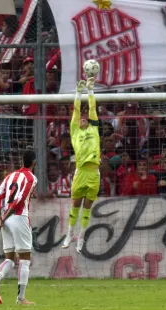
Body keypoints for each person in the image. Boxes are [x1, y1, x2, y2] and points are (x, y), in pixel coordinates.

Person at [0, 150, 38, 306]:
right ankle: (21, 299)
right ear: (34, 163)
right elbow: (20, 199)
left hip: (6, 220)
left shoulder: (10, 176)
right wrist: (4, 216)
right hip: (18, 217)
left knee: (9, 258)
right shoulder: (31, 177)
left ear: (21, 162)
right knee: (25, 259)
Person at [61, 77, 100, 253]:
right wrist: (78, 93)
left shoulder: (94, 129)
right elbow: (76, 111)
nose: (83, 118)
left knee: (87, 207)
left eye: (86, 118)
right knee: (75, 204)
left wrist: (90, 90)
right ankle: (69, 234)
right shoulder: (75, 132)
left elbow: (92, 108)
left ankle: (81, 237)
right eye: (81, 118)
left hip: (94, 173)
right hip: (81, 172)